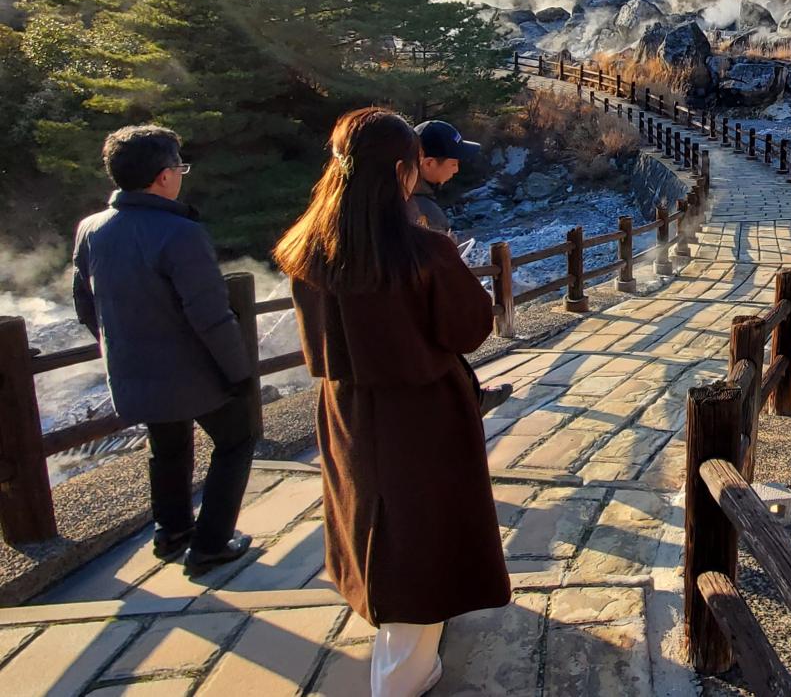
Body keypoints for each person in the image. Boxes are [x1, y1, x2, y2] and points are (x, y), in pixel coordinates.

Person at [275, 108, 508, 697]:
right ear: (405, 171)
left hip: (347, 408)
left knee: (372, 523)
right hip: (423, 412)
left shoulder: (308, 250)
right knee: (422, 536)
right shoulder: (422, 252)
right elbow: (468, 327)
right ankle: (402, 678)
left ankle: (393, 631)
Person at [71, 126, 255, 575]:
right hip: (192, 370)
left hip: (133, 368)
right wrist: (239, 371)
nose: (181, 175)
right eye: (179, 166)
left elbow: (84, 301)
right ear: (163, 176)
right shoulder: (179, 232)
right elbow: (210, 315)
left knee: (167, 446)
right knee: (237, 439)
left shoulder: (91, 228)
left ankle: (171, 533)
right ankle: (210, 543)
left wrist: (118, 342)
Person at [407, 119, 510, 416]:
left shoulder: (396, 202)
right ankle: (470, 398)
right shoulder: (422, 214)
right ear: (427, 163)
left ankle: (472, 394)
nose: (457, 169)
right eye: (452, 162)